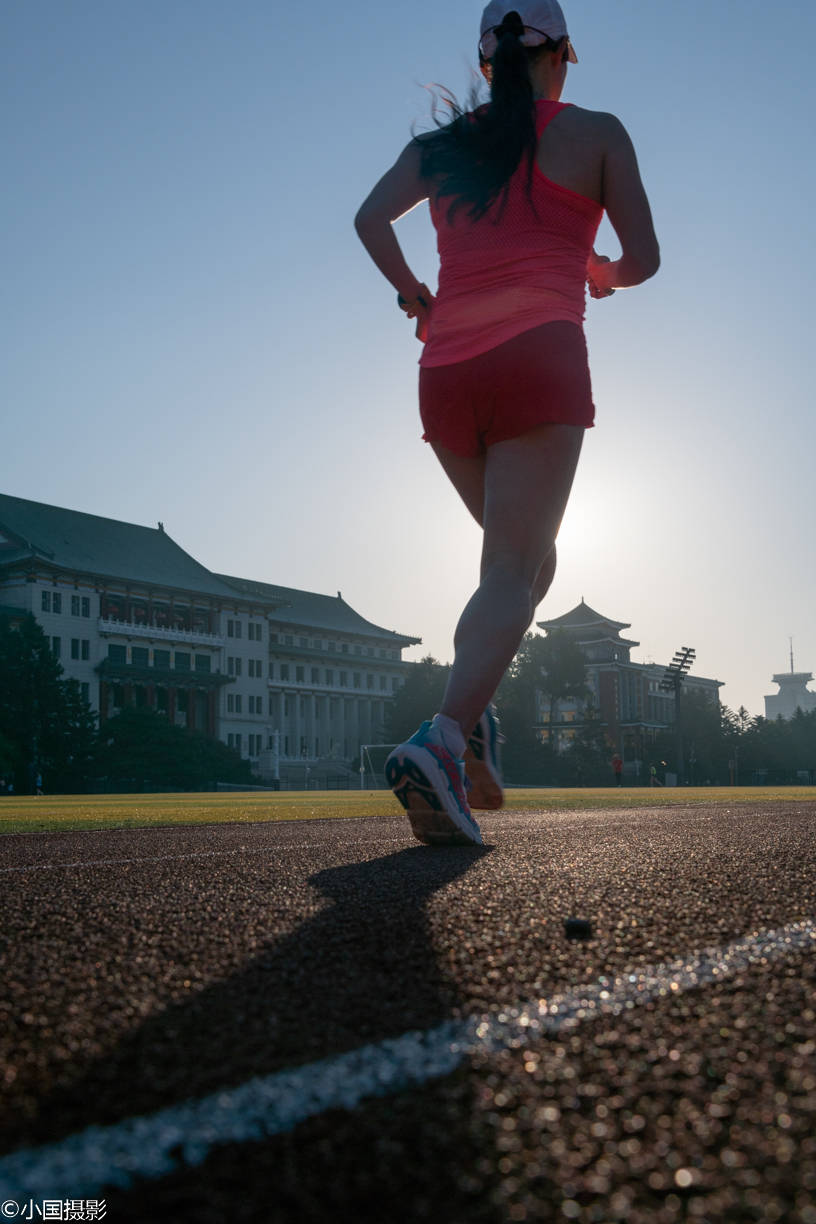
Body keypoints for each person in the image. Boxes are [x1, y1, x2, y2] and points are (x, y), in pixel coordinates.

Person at [355, 0, 659, 846]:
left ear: (486, 62)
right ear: (562, 55)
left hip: (447, 375)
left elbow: (369, 218)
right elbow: (645, 259)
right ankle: (443, 739)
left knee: (529, 564)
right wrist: (596, 269)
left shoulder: (440, 148)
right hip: (539, 360)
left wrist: (416, 297)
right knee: (510, 572)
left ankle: (474, 719)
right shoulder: (596, 132)